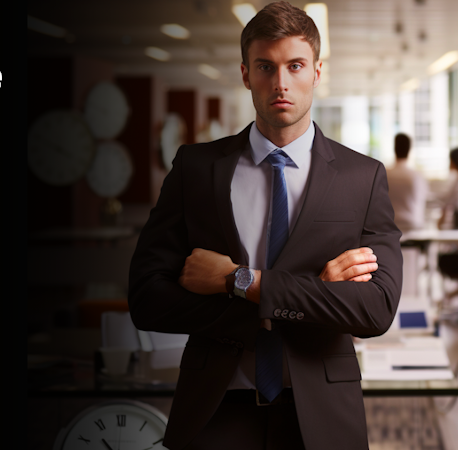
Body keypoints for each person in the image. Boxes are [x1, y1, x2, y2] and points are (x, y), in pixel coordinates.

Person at [128, 2, 402, 449]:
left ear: (316, 71)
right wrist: (315, 292)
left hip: (322, 411)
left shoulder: (362, 177)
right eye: (265, 66)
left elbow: (375, 309)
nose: (280, 83)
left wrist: (238, 281)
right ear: (245, 74)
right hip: (214, 409)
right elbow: (146, 299)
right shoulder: (196, 168)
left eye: (295, 66)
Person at [386, 133, 428, 232]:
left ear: (394, 148)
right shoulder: (417, 176)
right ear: (409, 150)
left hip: (390, 225)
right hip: (413, 225)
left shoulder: (384, 174)